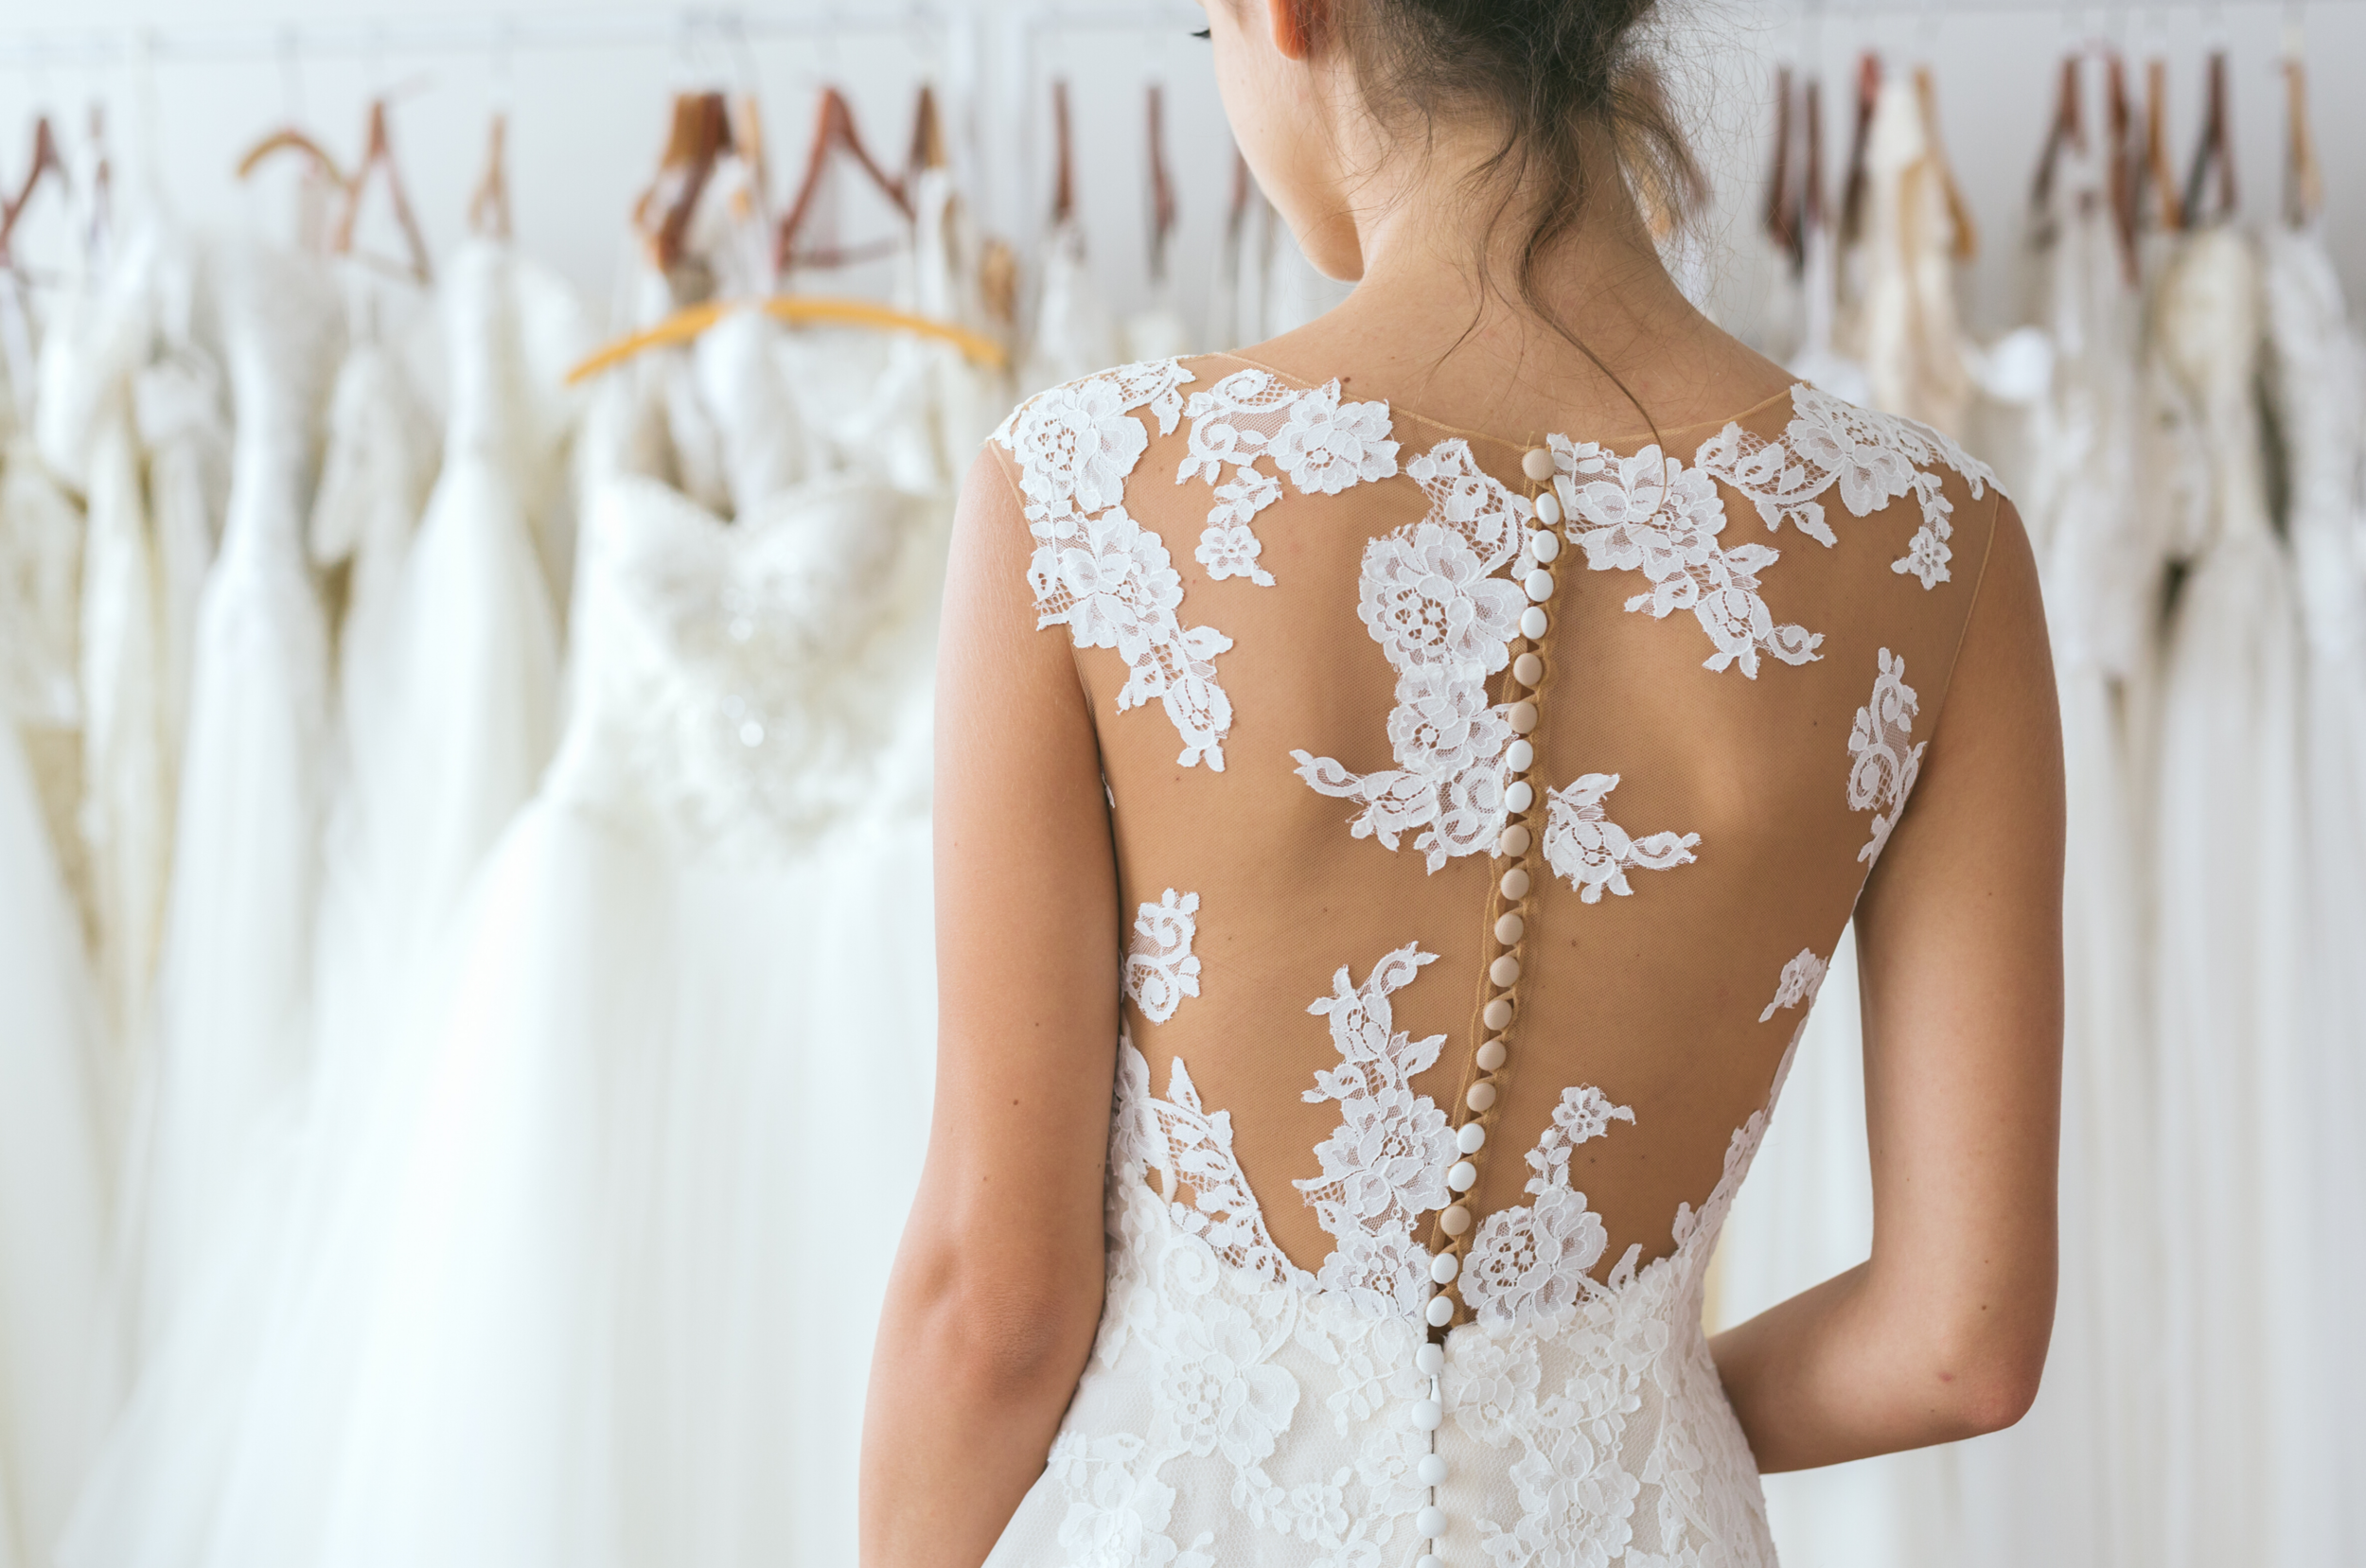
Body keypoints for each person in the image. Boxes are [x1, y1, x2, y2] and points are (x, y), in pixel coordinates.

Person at [861, 1, 2064, 1563]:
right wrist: (1618, 1413)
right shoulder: (1939, 548)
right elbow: (1964, 1343)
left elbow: (997, 1310)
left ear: (1286, 13)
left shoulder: (1088, 494)